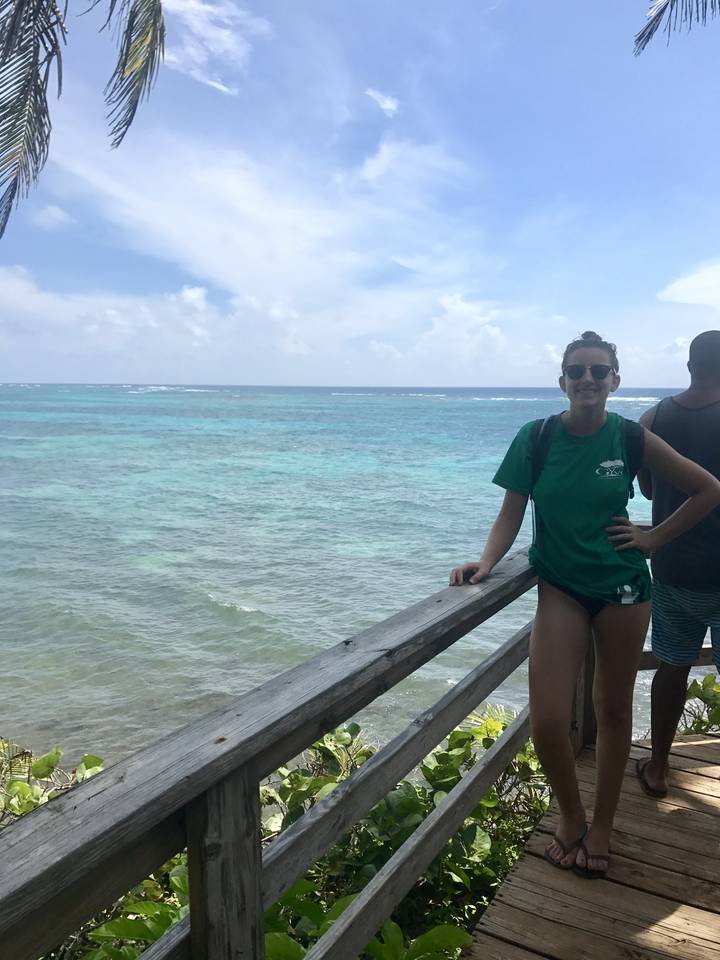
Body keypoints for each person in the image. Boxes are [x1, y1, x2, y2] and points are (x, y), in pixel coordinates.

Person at [449, 331, 720, 879]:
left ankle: (601, 825)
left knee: (614, 710)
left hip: (623, 591)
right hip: (561, 590)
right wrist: (485, 562)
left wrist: (652, 539)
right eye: (577, 372)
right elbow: (511, 512)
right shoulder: (537, 437)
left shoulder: (628, 436)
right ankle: (569, 817)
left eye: (599, 372)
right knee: (549, 720)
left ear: (614, 381)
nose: (588, 380)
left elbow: (708, 488)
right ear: (563, 382)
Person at [635, 331, 720, 799]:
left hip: (673, 571)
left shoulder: (654, 418)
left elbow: (647, 489)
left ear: (689, 366)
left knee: (671, 668)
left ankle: (660, 769)